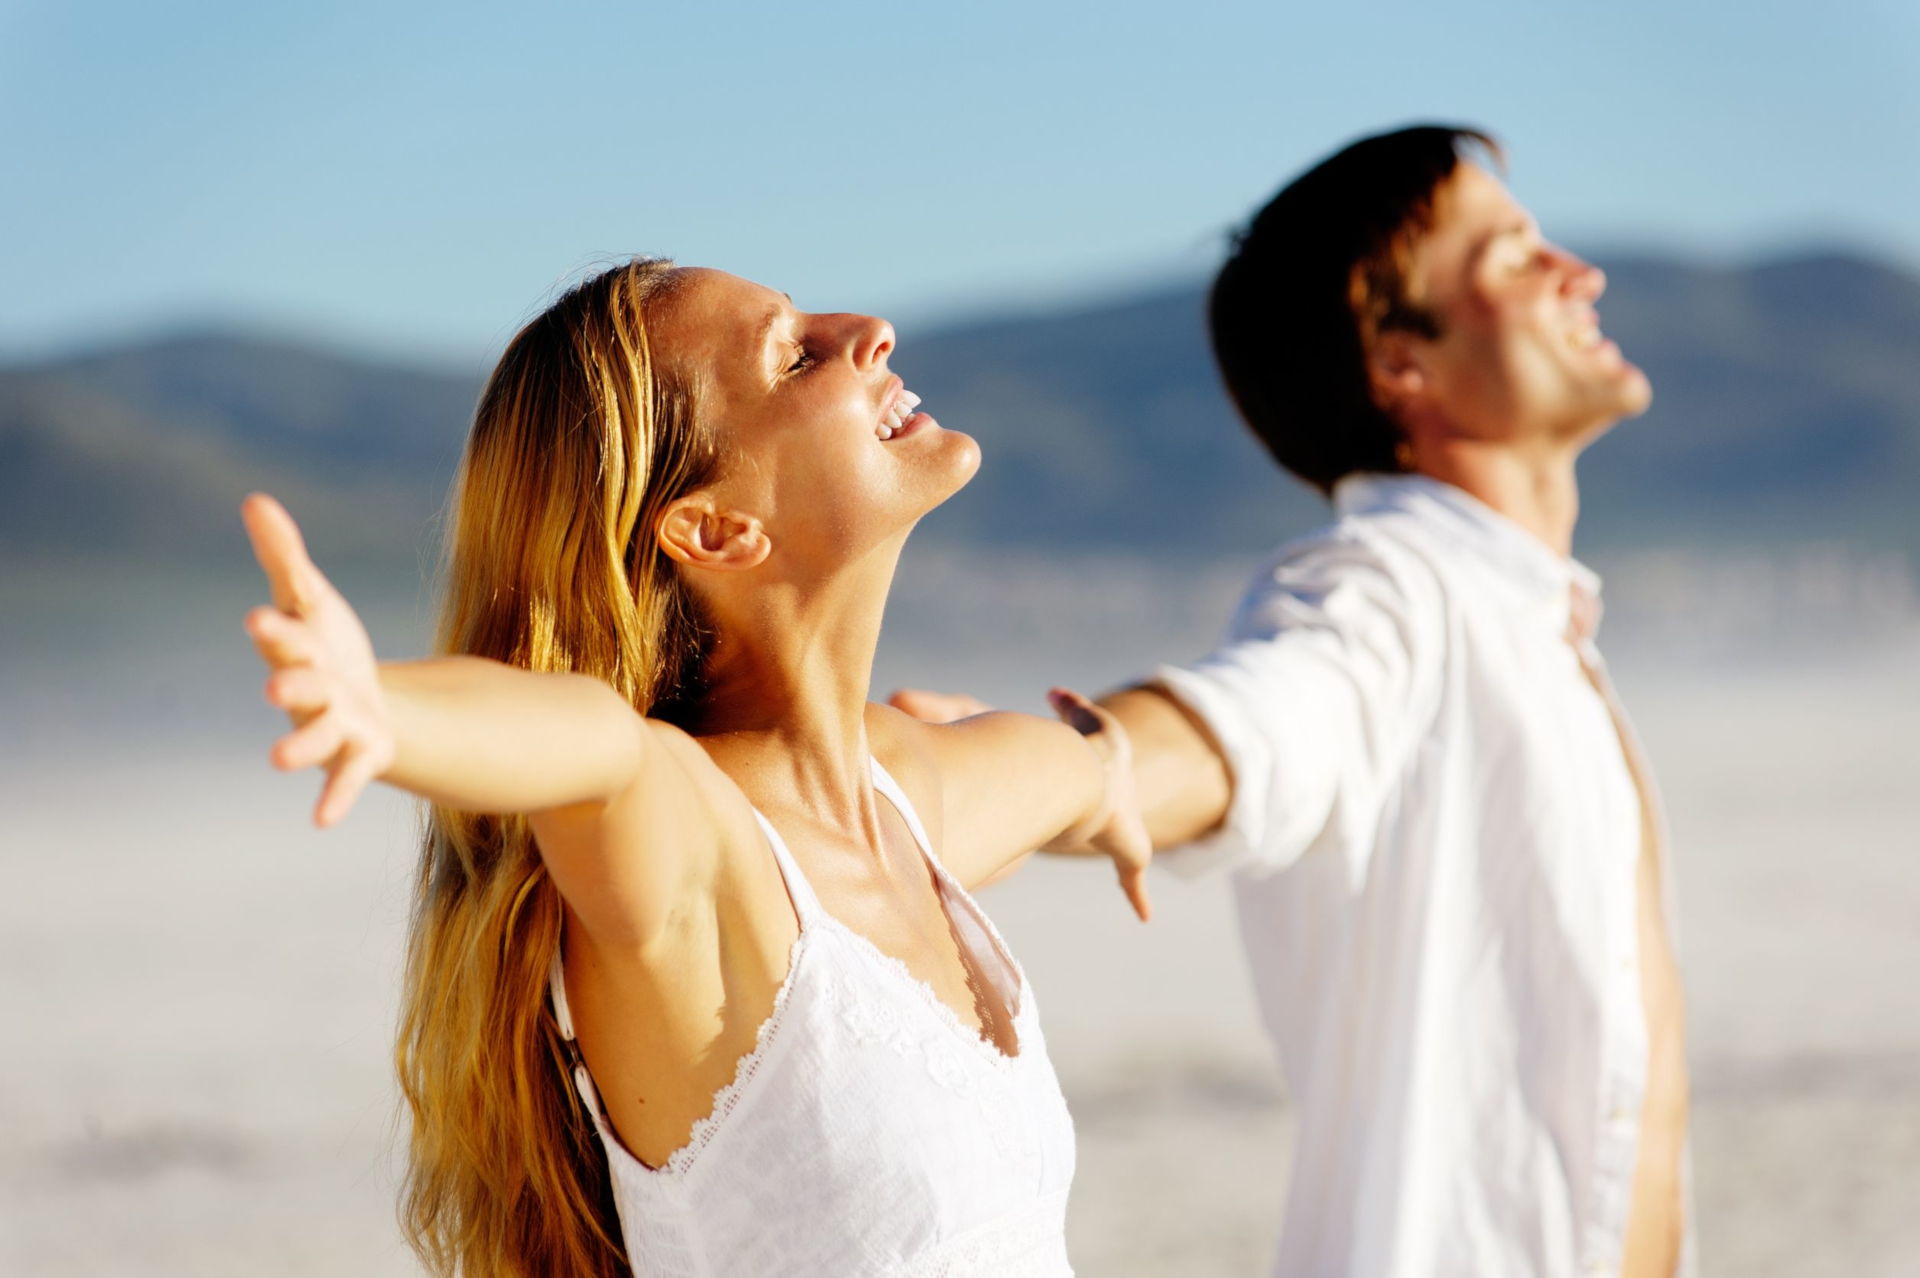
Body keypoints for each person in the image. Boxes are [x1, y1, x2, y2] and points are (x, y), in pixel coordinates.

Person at [240, 259, 1151, 1278]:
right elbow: (597, 753)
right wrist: (386, 707)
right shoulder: (708, 855)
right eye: (796, 354)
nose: (872, 329)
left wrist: (1110, 772)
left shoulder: (898, 795)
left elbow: (1070, 771)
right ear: (716, 528)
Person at [896, 125, 1692, 1278]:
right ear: (1396, 358)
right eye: (1514, 258)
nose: (1583, 271)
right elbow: (1252, 727)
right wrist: (1077, 770)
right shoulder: (1391, 594)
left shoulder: (1536, 626)